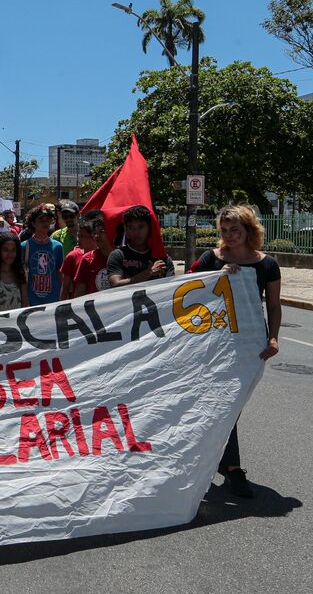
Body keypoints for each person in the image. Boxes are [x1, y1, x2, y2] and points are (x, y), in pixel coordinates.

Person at [188, 205, 281, 498]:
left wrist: (274, 338)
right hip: (212, 345)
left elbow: (274, 305)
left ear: (249, 231)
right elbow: (187, 291)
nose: (229, 236)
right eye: (224, 230)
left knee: (232, 404)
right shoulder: (211, 259)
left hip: (248, 347)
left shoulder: (267, 265)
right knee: (222, 404)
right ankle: (231, 469)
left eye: (235, 230)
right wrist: (218, 278)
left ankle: (218, 462)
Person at [107, 205, 175, 288]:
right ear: (125, 229)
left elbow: (171, 289)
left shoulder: (163, 259)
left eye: (141, 227)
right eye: (131, 227)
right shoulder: (118, 255)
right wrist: (148, 273)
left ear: (149, 228)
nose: (136, 232)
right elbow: (115, 285)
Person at [22, 204, 65, 306]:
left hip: (53, 300)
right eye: (41, 220)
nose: (45, 223)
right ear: (33, 223)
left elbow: (60, 274)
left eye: (48, 220)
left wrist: (62, 298)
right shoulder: (24, 246)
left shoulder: (58, 246)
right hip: (31, 300)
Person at [72, 211, 113, 298]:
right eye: (94, 233)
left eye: (101, 232)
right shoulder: (87, 259)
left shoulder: (123, 257)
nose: (97, 236)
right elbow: (79, 294)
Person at [0, 232, 28, 312]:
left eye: (13, 250)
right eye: (5, 250)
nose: (10, 254)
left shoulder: (20, 274)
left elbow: (24, 303)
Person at [59, 217, 98, 301]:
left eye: (81, 236)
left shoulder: (102, 255)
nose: (78, 239)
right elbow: (65, 287)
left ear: (92, 237)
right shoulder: (72, 256)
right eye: (78, 235)